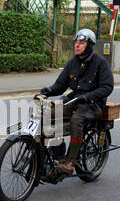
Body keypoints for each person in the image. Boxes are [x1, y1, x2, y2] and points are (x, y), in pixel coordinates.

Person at [39, 28, 114, 175]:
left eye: (82, 42)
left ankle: (70, 161)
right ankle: (51, 154)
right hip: (74, 100)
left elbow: (107, 87)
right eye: (76, 42)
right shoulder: (72, 62)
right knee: (48, 114)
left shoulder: (100, 63)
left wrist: (88, 96)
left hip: (93, 104)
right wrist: (48, 90)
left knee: (76, 119)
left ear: (90, 45)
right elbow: (60, 85)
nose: (77, 45)